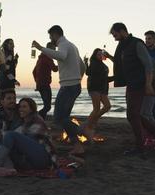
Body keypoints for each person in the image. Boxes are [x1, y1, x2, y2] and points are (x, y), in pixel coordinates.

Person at [31, 25, 86, 157]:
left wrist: (40, 48)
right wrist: (78, 79)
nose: (51, 39)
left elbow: (61, 56)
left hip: (68, 86)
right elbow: (82, 65)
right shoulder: (72, 45)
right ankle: (78, 144)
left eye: (51, 36)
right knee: (64, 118)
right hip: (73, 85)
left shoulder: (63, 44)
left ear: (56, 35)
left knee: (58, 118)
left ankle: (81, 131)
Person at [107, 22, 155, 155]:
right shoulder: (123, 46)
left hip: (140, 84)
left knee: (133, 115)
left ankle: (143, 145)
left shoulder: (137, 43)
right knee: (135, 115)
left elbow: (148, 65)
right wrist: (109, 56)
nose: (114, 37)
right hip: (131, 84)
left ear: (122, 31)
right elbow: (121, 63)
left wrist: (148, 85)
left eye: (115, 34)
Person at [0, 98, 57, 175]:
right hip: (30, 162)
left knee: (9, 136)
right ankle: (9, 168)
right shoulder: (23, 123)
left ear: (31, 109)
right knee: (4, 141)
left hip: (42, 158)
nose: (21, 109)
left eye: (24, 107)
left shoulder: (37, 120)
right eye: (20, 107)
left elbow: (33, 140)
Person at [83, 48, 113, 135]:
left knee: (107, 106)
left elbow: (105, 79)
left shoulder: (102, 64)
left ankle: (92, 120)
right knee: (96, 108)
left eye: (101, 54)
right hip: (94, 88)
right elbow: (89, 72)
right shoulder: (94, 64)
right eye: (98, 54)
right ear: (95, 56)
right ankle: (87, 126)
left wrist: (115, 77)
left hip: (103, 88)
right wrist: (86, 63)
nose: (100, 56)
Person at [32, 42, 58, 120]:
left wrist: (37, 83)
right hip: (45, 85)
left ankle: (39, 120)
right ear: (49, 49)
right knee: (47, 106)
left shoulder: (41, 58)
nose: (55, 52)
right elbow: (54, 69)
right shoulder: (47, 58)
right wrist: (62, 64)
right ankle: (36, 119)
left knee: (46, 106)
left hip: (41, 85)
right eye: (54, 50)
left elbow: (33, 72)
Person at [0, 38, 20, 106]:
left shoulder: (4, 54)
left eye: (13, 44)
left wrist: (15, 60)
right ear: (6, 45)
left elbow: (10, 68)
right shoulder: (8, 55)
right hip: (6, 83)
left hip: (1, 82)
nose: (13, 45)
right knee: (8, 103)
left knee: (2, 103)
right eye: (10, 43)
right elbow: (6, 70)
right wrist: (14, 80)